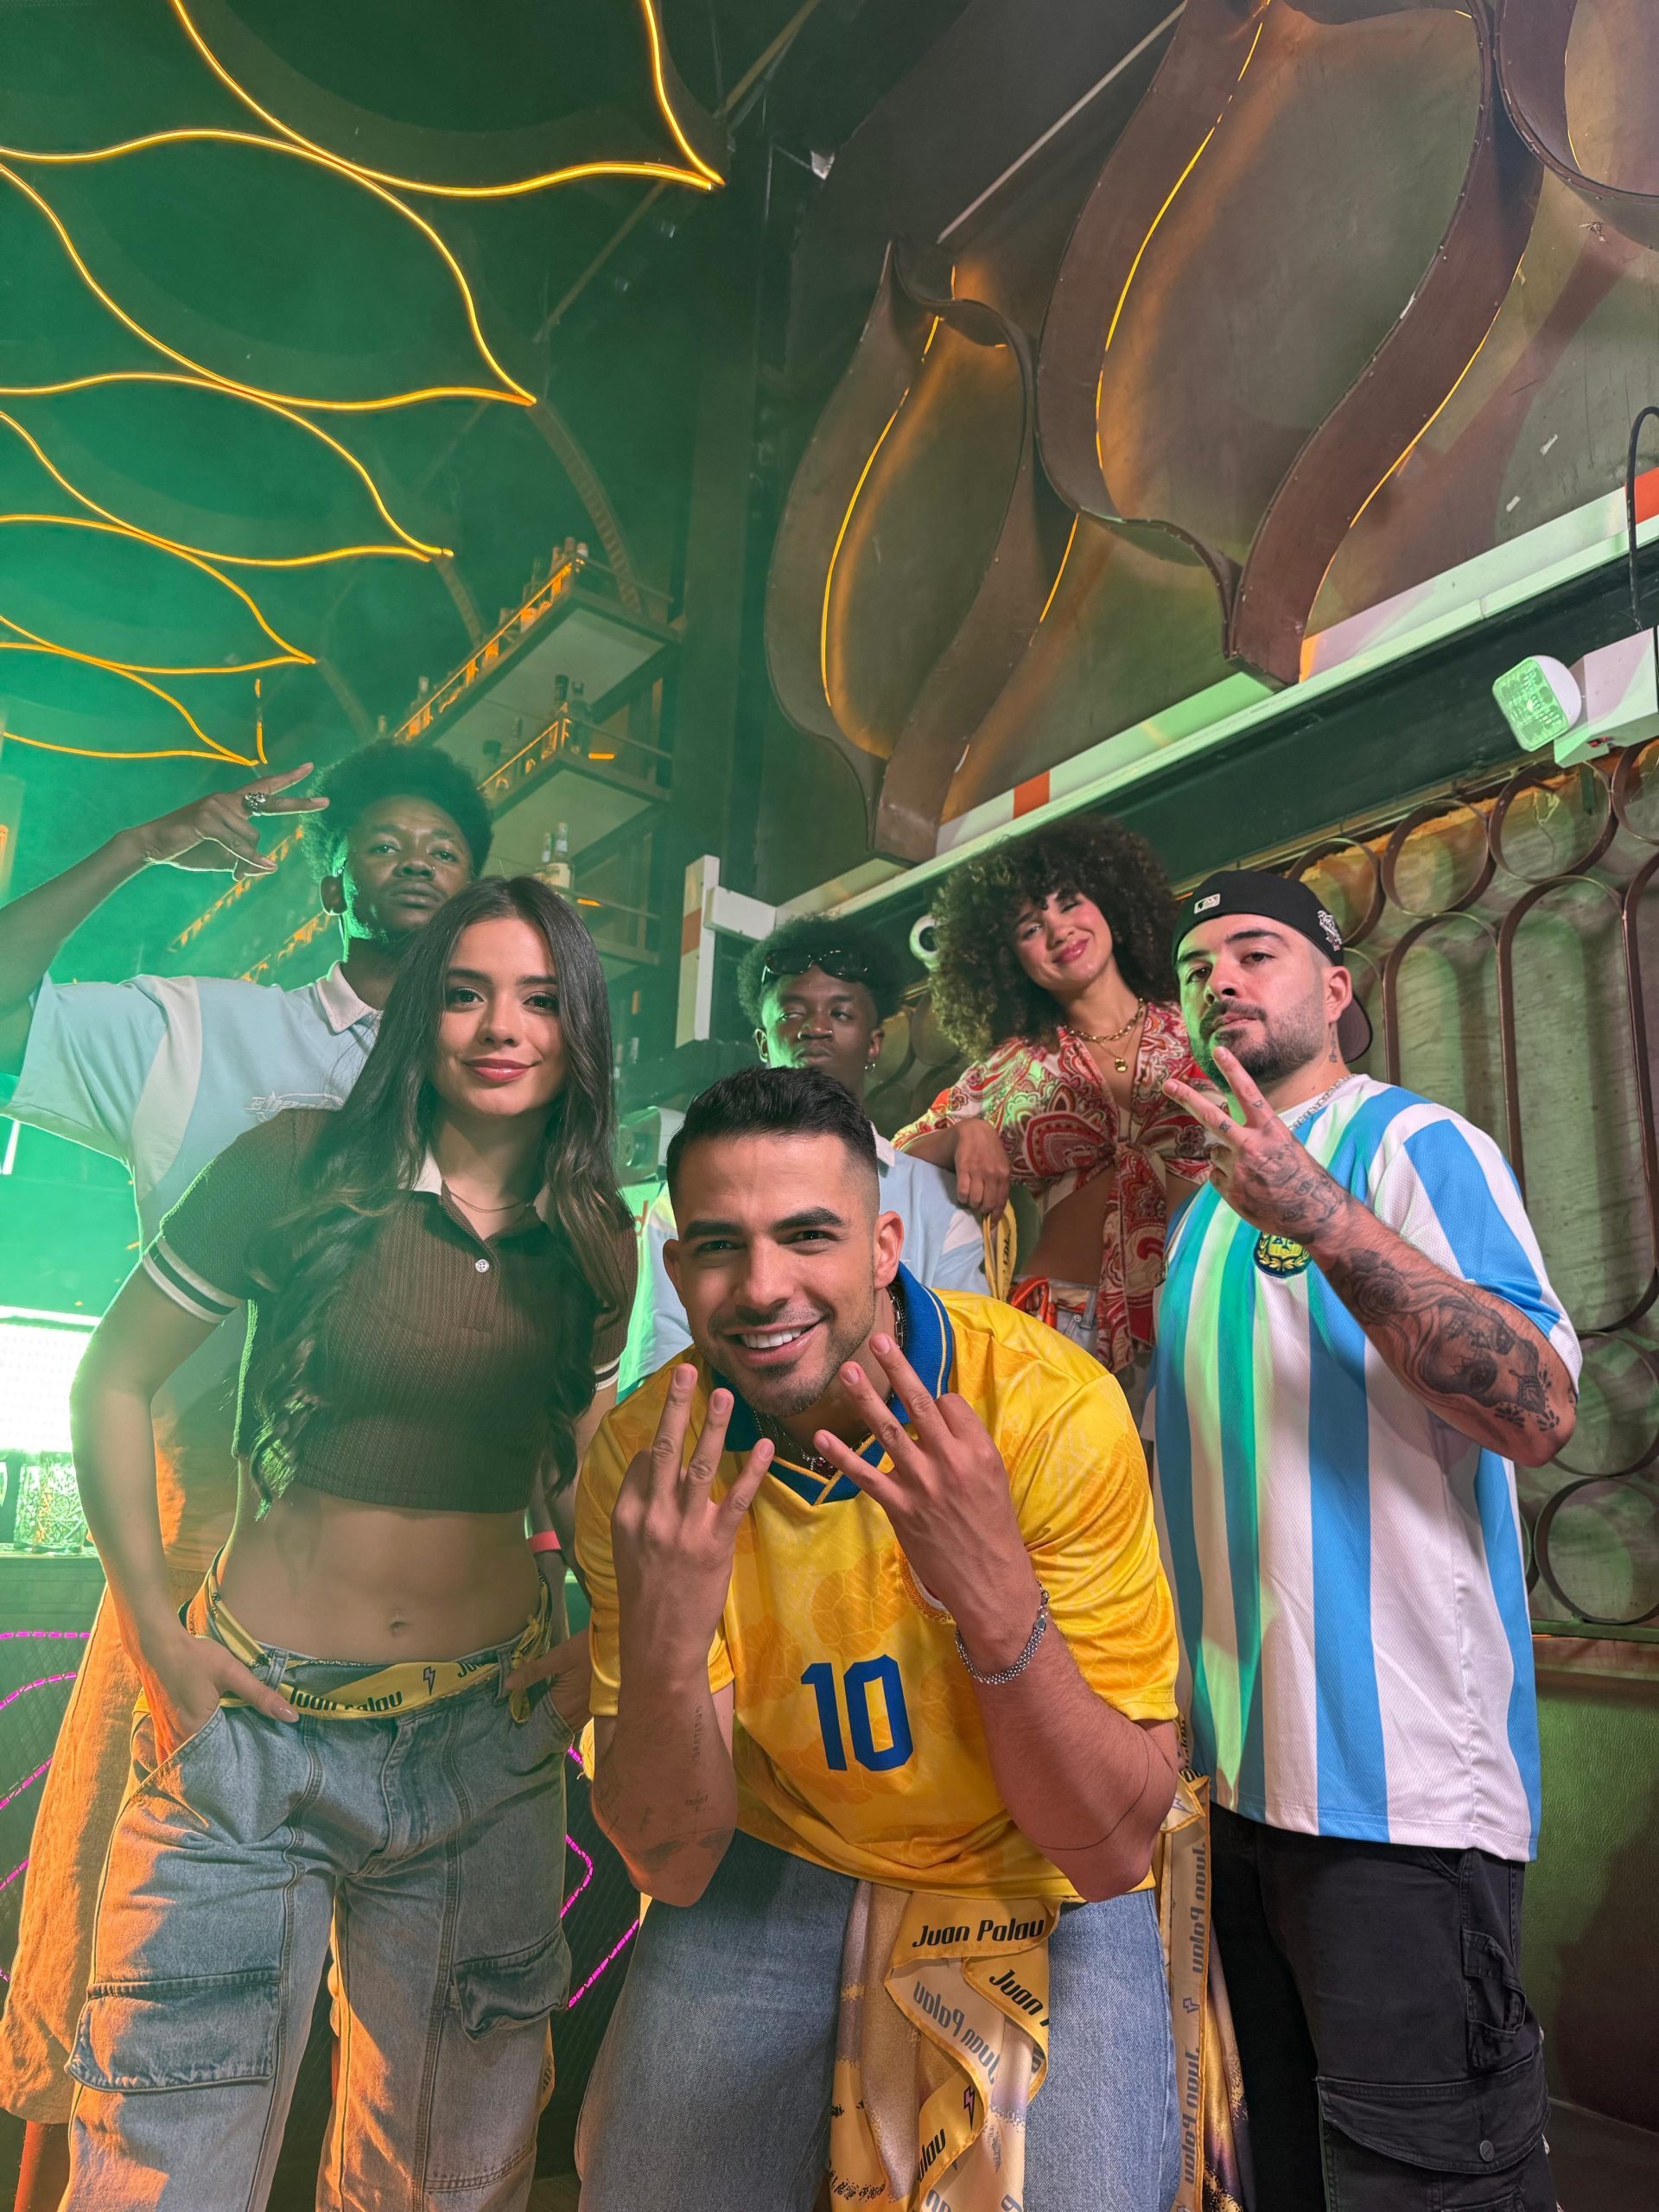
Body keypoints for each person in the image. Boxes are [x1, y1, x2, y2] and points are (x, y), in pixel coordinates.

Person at [59, 874, 633, 2209]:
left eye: (540, 1000)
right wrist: (153, 1633)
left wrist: (605, 1634)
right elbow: (111, 1381)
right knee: (163, 2173)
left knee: (446, 2179)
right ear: (420, 1012)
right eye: (466, 993)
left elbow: (580, 1468)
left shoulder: (598, 1239)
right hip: (257, 1732)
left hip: (486, 1745)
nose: (502, 1027)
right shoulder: (298, 1163)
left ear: (580, 1032)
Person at [0, 741, 491, 2204]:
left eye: (445, 848)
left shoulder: (503, 1091)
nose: (415, 861)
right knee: (120, 1970)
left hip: (426, 1586)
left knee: (412, 2043)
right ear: (332, 876)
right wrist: (138, 846)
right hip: (202, 1550)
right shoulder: (209, 1033)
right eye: (385, 841)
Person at [575, 1065, 1183, 2212]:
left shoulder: (1049, 1410)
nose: (764, 1287)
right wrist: (664, 1648)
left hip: (1033, 1865)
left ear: (884, 1248)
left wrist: (999, 1615)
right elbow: (671, 1857)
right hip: (778, 1849)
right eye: (721, 1247)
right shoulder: (646, 1463)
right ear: (678, 1269)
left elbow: (1111, 1851)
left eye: (809, 1236)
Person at [1153, 869, 1580, 2212]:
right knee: (1281, 2177)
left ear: (1336, 990)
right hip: (1235, 1799)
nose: (1220, 981)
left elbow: (1541, 1409)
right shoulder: (1198, 1214)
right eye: (1195, 967)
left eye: (1256, 952)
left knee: (1430, 2189)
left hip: (1403, 1809)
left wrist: (1322, 1217)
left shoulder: (1412, 1143)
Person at [894, 815, 1208, 1389]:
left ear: (1111, 903)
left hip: (1206, 1302)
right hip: (1061, 1324)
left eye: (1069, 903)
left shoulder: (1200, 1022)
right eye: (1030, 927)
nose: (1059, 930)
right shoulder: (1009, 1068)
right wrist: (964, 1133)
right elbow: (893, 1157)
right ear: (1007, 959)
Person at [620, 918, 986, 1394]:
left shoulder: (936, 1199)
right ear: (761, 1042)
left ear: (874, 1043)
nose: (815, 1029)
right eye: (792, 1013)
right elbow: (665, 1368)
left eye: (841, 1014)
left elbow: (965, 1366)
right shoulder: (689, 1197)